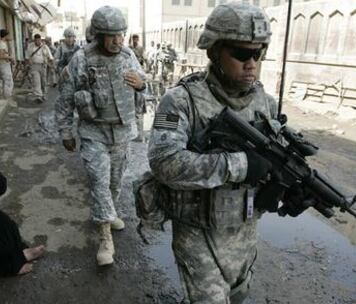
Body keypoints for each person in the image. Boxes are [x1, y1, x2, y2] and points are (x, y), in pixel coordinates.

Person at [148, 3, 275, 303]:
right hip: (198, 233)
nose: (252, 63)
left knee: (239, 295)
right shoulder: (179, 101)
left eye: (259, 53)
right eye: (242, 54)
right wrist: (239, 165)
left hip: (245, 230)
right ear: (214, 51)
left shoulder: (266, 102)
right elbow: (164, 162)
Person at [55, 5, 146, 266]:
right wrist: (65, 131)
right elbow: (65, 99)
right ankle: (105, 236)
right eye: (112, 35)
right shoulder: (81, 59)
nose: (118, 40)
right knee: (98, 181)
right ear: (98, 35)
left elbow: (143, 84)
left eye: (121, 34)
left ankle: (109, 212)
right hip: (94, 133)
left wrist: (142, 85)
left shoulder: (129, 56)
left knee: (116, 182)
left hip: (122, 132)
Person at [25, 34, 53, 102]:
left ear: (40, 40)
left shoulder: (45, 47)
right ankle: (39, 96)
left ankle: (43, 94)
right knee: (36, 81)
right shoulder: (30, 46)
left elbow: (50, 57)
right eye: (36, 40)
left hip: (43, 66)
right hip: (34, 66)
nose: (37, 42)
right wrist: (28, 64)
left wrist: (51, 64)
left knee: (43, 82)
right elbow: (27, 57)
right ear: (34, 40)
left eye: (38, 40)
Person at [0, 29, 15, 99]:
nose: (10, 37)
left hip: (5, 64)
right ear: (5, 36)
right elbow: (1, 55)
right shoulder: (1, 44)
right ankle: (6, 97)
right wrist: (10, 58)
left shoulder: (3, 43)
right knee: (7, 80)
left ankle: (7, 95)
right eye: (8, 35)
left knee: (9, 80)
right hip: (3, 65)